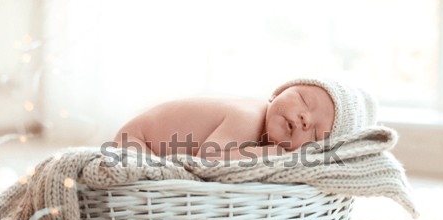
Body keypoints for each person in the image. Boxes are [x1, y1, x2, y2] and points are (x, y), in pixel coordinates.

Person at [113, 78, 377, 161]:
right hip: (135, 142)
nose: (305, 119)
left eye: (317, 134)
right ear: (278, 92)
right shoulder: (249, 116)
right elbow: (211, 157)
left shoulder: (257, 128)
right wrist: (271, 153)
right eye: (305, 101)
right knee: (157, 185)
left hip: (147, 145)